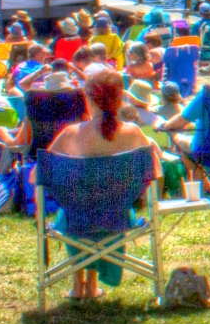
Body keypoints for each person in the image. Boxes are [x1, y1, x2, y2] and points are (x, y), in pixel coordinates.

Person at [41, 64, 160, 301]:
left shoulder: (71, 133)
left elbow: (39, 176)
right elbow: (155, 172)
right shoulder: (134, 133)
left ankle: (79, 285)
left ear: (89, 99)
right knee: (99, 206)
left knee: (74, 210)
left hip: (77, 218)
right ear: (119, 99)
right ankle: (92, 284)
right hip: (118, 216)